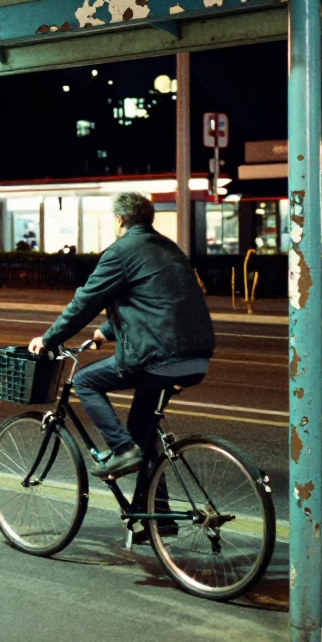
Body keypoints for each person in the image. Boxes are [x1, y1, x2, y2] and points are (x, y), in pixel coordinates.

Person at [28, 191, 215, 488]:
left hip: (160, 358)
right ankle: (157, 520)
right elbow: (156, 304)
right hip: (196, 356)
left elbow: (84, 303)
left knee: (84, 382)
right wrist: (108, 331)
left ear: (119, 219)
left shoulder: (121, 252)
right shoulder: (170, 249)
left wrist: (48, 339)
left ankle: (122, 449)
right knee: (142, 430)